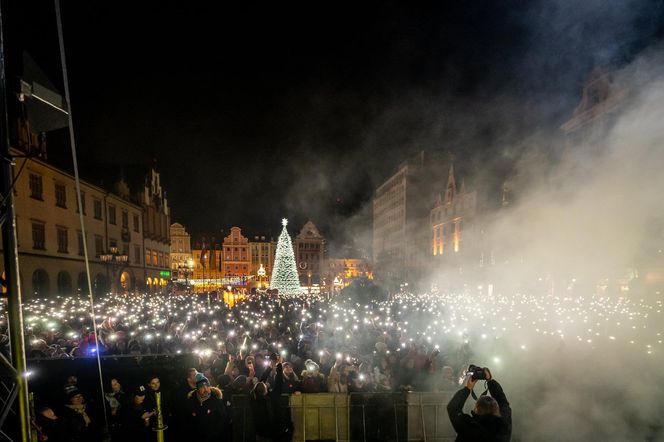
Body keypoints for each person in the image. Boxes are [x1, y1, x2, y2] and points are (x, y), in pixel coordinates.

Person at [446, 367, 512, 442]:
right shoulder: (503, 425)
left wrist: (467, 388)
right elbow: (503, 402)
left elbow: (453, 408)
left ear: (476, 408)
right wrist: (490, 381)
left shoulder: (470, 426)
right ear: (496, 408)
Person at [251, 356, 294, 441]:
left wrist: (269, 368)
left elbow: (262, 380)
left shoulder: (254, 398)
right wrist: (279, 365)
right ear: (265, 389)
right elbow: (279, 382)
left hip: (260, 433)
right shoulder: (272, 397)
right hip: (272, 433)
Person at [185, 373, 231, 441]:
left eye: (207, 386)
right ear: (197, 389)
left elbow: (223, 417)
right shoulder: (191, 401)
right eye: (202, 387)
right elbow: (187, 419)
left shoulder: (216, 400)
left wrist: (215, 433)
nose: (205, 389)